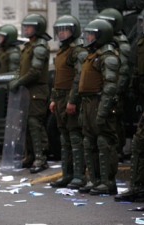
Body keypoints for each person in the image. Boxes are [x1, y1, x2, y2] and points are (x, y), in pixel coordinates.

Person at [78, 19, 120, 195]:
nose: (88, 37)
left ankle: (108, 182)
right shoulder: (91, 55)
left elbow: (110, 87)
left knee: (104, 142)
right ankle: (94, 180)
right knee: (89, 142)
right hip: (88, 104)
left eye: (92, 34)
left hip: (99, 102)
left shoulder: (108, 56)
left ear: (101, 36)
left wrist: (102, 111)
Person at [9, 13, 51, 174]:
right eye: (25, 26)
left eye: (29, 26)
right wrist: (16, 78)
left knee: (35, 124)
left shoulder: (40, 46)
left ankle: (41, 157)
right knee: (25, 124)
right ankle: (31, 155)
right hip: (27, 90)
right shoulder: (29, 45)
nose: (26, 29)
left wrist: (19, 81)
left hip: (37, 91)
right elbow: (22, 69)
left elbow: (35, 71)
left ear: (37, 28)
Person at [49, 15, 88, 189]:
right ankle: (67, 174)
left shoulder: (77, 51)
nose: (62, 33)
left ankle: (79, 175)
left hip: (71, 98)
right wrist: (53, 99)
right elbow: (57, 77)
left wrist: (72, 100)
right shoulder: (61, 50)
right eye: (59, 30)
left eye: (65, 29)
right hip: (59, 98)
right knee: (64, 138)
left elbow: (79, 78)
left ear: (73, 31)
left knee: (75, 137)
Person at [114, 9, 144, 202]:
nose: (140, 26)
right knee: (139, 144)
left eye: (142, 22)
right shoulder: (140, 43)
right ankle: (137, 187)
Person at [95, 8, 131, 163]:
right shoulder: (105, 40)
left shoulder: (121, 44)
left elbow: (123, 72)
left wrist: (116, 91)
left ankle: (118, 149)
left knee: (115, 120)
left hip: (114, 89)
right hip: (104, 87)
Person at [0, 24, 21, 155]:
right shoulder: (1, 51)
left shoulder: (13, 54)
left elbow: (12, 74)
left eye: (2, 37)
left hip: (5, 92)